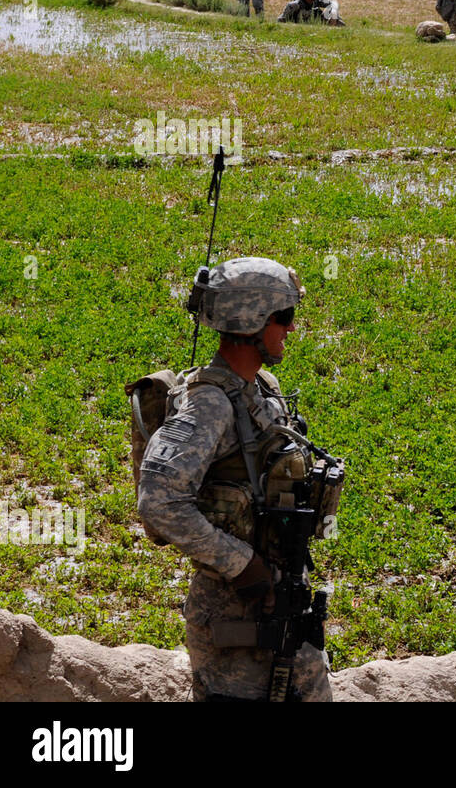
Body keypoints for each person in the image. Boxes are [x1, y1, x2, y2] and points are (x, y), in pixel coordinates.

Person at [137, 257, 335, 702]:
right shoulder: (209, 406)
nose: (290, 330)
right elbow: (159, 501)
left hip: (281, 599)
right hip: (234, 619)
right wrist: (240, 564)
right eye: (284, 318)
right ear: (254, 322)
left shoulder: (264, 387)